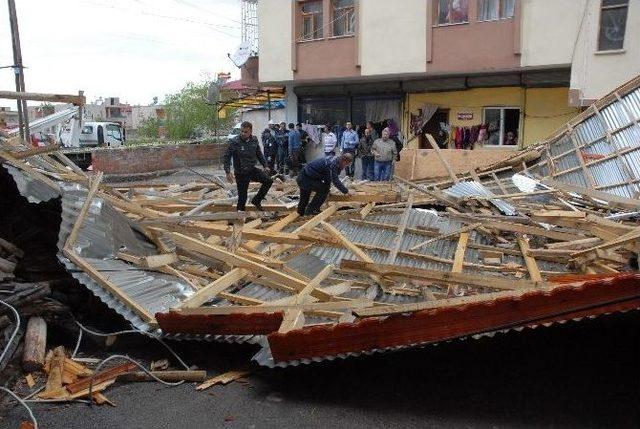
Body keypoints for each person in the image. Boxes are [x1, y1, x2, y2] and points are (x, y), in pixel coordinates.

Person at [223, 121, 273, 211]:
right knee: (243, 197)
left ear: (250, 131)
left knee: (268, 181)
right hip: (241, 173)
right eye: (241, 131)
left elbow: (259, 153)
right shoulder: (234, 142)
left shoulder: (254, 140)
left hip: (251, 170)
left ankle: (257, 200)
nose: (243, 133)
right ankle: (240, 217)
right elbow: (227, 156)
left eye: (245, 132)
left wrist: (265, 165)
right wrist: (227, 171)